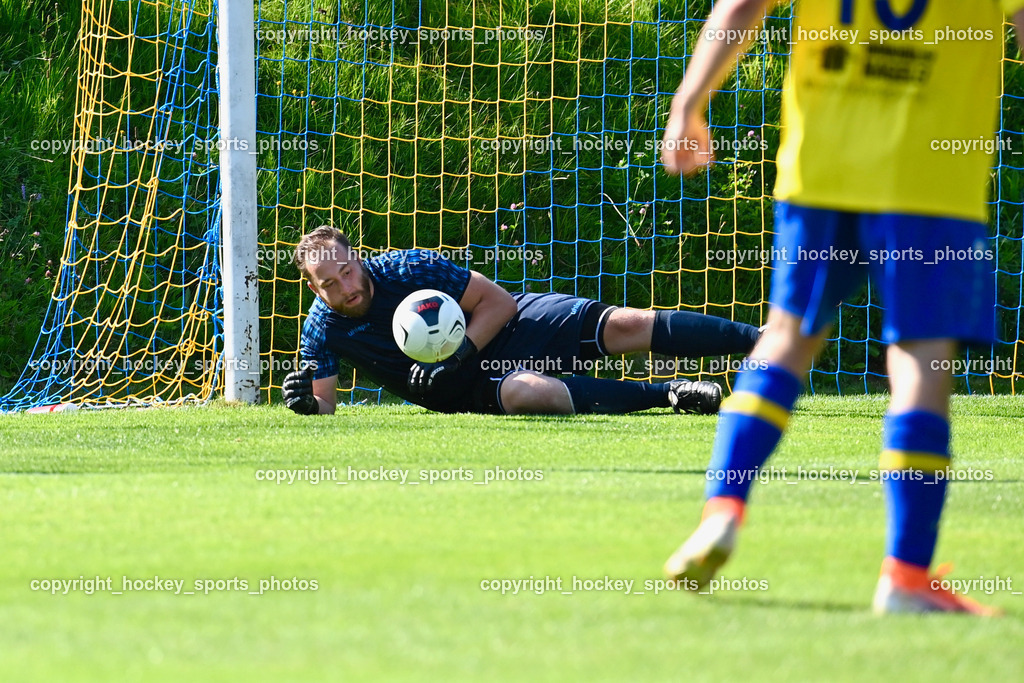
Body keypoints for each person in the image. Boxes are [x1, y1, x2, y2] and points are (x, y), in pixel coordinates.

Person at [660, 0, 1024, 615]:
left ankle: (722, 511)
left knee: (785, 339)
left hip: (821, 169)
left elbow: (743, 5)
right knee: (919, 363)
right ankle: (906, 577)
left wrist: (689, 101)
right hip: (931, 183)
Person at [281, 226, 762, 416]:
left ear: (357, 259)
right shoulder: (323, 327)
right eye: (330, 283)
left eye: (347, 271)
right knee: (530, 394)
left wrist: (461, 351)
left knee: (623, 325)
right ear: (314, 289)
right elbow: (327, 406)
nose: (347, 287)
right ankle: (671, 393)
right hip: (468, 390)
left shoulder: (408, 269)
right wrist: (306, 405)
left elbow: (500, 302)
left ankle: (762, 340)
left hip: (507, 326)